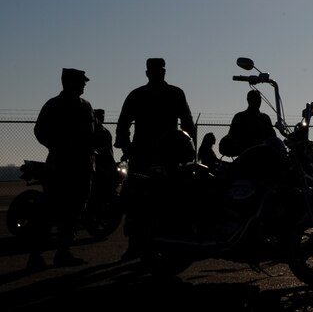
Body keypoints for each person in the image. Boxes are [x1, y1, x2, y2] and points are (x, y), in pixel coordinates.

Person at [115, 57, 196, 260]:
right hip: (143, 155)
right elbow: (123, 123)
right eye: (155, 71)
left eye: (161, 70)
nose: (159, 74)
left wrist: (190, 149)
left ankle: (170, 241)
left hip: (171, 156)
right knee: (137, 202)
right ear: (148, 73)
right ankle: (135, 245)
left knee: (172, 199)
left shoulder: (175, 94)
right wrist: (127, 148)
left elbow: (187, 122)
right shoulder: (137, 95)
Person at [29, 68, 96, 270]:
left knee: (74, 211)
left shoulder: (86, 106)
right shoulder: (55, 105)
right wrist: (58, 145)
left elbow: (92, 133)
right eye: (80, 82)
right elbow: (40, 130)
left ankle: (63, 252)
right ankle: (36, 255)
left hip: (82, 165)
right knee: (51, 209)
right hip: (61, 165)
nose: (84, 85)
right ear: (68, 83)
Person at [219, 89, 277, 158]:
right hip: (246, 156)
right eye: (254, 99)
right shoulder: (240, 117)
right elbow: (232, 137)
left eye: (259, 99)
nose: (258, 102)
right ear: (248, 100)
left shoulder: (265, 118)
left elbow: (273, 138)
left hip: (262, 156)